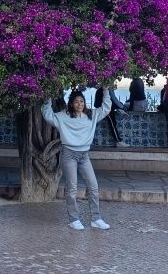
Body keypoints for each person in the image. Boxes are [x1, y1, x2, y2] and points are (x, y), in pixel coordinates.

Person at [41, 88, 112, 231]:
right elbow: (48, 115)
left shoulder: (91, 115)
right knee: (72, 188)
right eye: (76, 102)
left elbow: (106, 108)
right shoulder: (63, 116)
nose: (79, 104)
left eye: (82, 101)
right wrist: (47, 99)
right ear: (71, 104)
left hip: (84, 155)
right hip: (69, 154)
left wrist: (106, 90)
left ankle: (96, 219)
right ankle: (74, 219)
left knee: (93, 187)